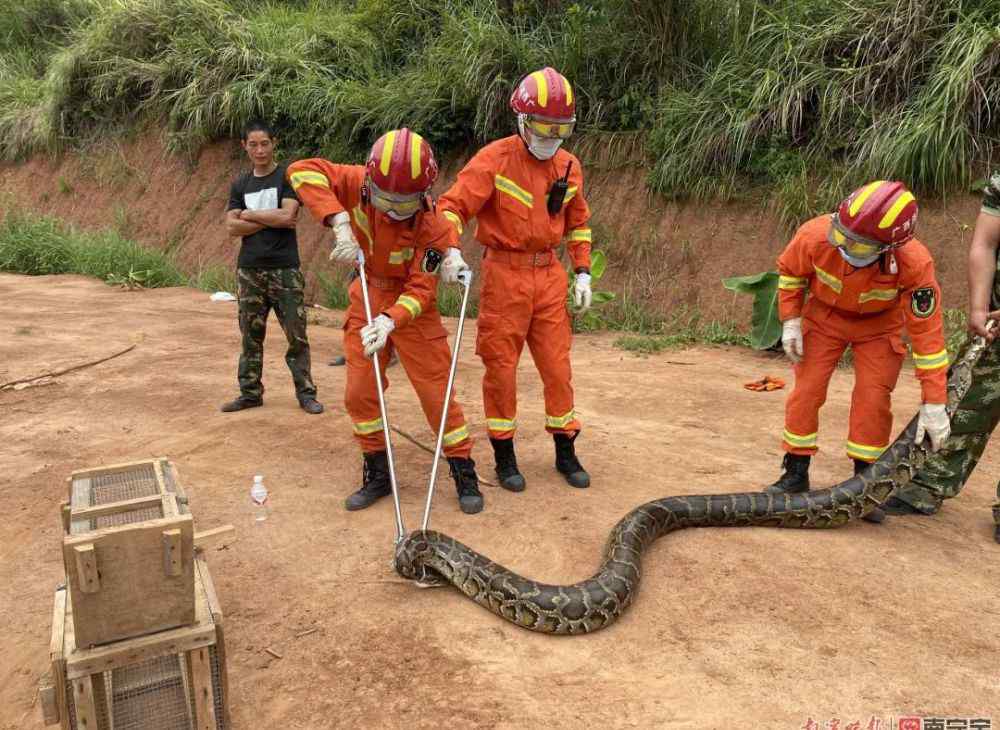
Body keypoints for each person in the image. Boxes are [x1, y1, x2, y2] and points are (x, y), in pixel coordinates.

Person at [286, 129, 484, 514]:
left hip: (413, 311)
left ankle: (464, 470)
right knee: (359, 391)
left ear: (425, 193)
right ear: (371, 180)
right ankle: (378, 473)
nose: (393, 208)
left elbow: (422, 289)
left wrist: (390, 322)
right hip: (366, 294)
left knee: (436, 395)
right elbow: (301, 171)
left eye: (404, 201)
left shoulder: (434, 225)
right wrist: (338, 220)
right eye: (386, 198)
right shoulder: (355, 182)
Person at [437, 67, 593, 493]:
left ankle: (565, 450)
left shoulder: (568, 165)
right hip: (505, 275)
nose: (552, 136)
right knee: (501, 370)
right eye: (545, 126)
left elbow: (578, 223)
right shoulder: (494, 160)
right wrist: (449, 250)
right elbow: (452, 207)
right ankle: (505, 456)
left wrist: (582, 271)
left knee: (557, 369)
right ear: (522, 120)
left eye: (562, 128)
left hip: (549, 274)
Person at [766, 180, 952, 523]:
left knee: (873, 399)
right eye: (842, 236)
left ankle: (864, 483)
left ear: (889, 247)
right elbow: (791, 274)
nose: (845, 246)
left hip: (879, 329)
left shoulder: (915, 264)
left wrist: (935, 402)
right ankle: (795, 472)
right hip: (823, 319)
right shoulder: (815, 235)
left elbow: (928, 338)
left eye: (859, 245)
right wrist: (790, 320)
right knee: (807, 391)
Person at [222, 120, 322, 415]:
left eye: (264, 143)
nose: (259, 150)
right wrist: (268, 217)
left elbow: (288, 218)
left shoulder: (286, 177)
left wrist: (250, 214)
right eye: (253, 144)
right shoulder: (240, 184)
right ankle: (250, 392)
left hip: (285, 269)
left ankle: (306, 394)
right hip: (249, 271)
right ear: (245, 146)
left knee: (297, 335)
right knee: (250, 337)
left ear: (273, 143)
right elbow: (231, 226)